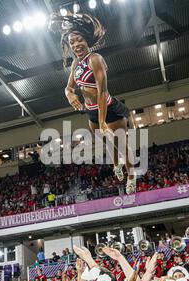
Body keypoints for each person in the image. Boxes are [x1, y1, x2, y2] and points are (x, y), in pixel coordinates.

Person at [50, 13, 136, 194]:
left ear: (87, 40)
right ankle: (116, 165)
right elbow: (68, 87)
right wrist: (69, 95)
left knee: (121, 144)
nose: (76, 45)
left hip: (108, 109)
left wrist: (103, 120)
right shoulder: (75, 63)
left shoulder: (95, 59)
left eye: (79, 40)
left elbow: (102, 92)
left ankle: (131, 176)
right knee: (106, 141)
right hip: (91, 112)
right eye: (72, 42)